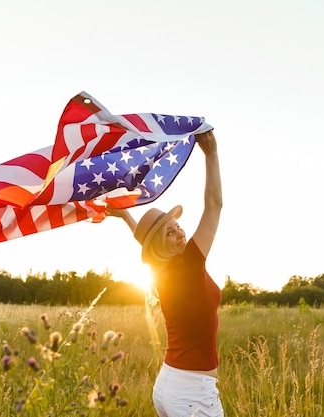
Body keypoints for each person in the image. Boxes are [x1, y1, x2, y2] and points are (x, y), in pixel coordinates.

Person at [108, 129, 224, 417]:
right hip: (191, 392)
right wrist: (211, 154)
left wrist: (126, 216)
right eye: (170, 233)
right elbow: (214, 205)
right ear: (161, 246)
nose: (180, 233)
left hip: (174, 385)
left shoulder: (162, 270)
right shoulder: (189, 264)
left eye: (177, 226)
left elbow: (144, 239)